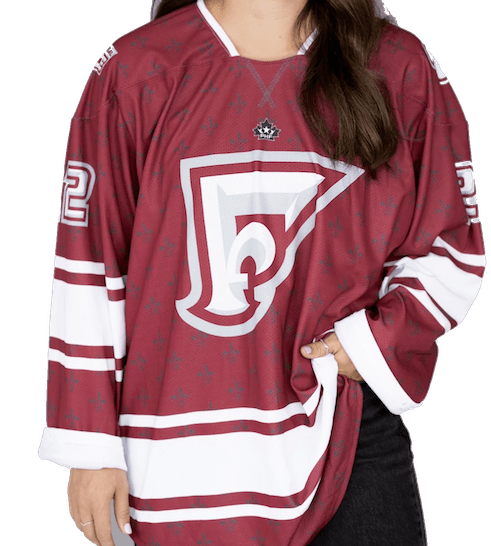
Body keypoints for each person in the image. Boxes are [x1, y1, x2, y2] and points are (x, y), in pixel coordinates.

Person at [36, 0, 486, 545]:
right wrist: (90, 444)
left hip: (344, 428)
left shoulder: (398, 64)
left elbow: (448, 238)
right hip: (177, 451)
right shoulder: (135, 70)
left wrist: (372, 342)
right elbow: (90, 261)